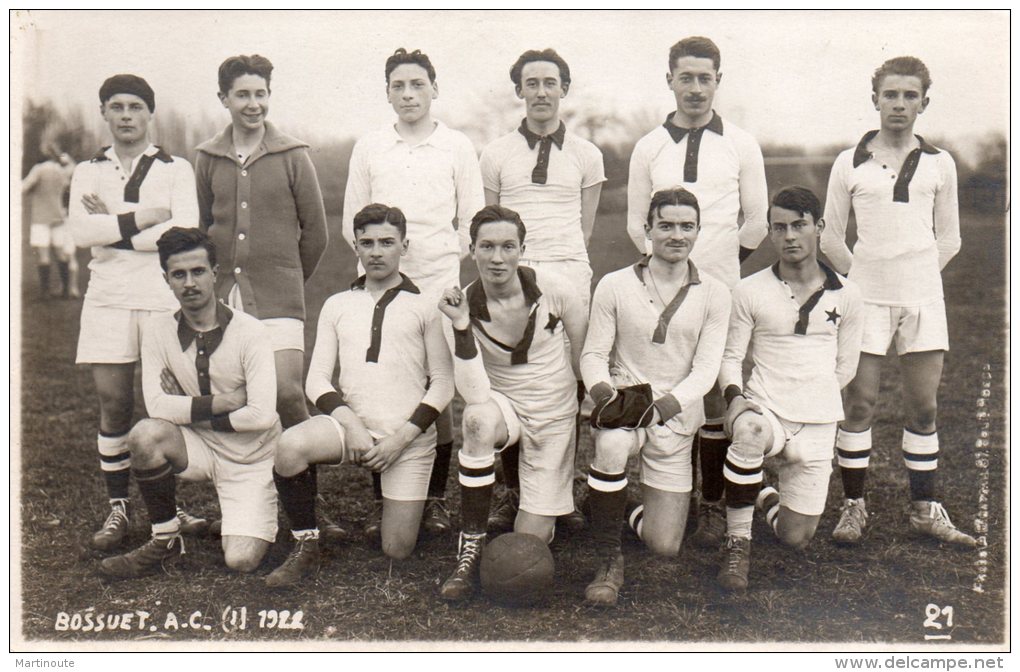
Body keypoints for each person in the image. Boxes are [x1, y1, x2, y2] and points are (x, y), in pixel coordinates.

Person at [820, 56, 974, 547]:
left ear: (923, 103)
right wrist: (861, 283)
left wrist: (918, 279)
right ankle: (853, 506)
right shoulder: (849, 161)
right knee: (859, 403)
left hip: (923, 300)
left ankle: (924, 510)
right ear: (875, 100)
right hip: (866, 301)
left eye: (910, 95)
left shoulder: (940, 162)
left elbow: (948, 240)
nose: (899, 104)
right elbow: (830, 240)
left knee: (923, 409)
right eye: (891, 95)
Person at [264, 204, 454, 587]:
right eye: (366, 243)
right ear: (356, 247)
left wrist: (400, 440)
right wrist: (350, 425)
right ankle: (305, 542)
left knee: (396, 549)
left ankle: (392, 502)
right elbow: (316, 380)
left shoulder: (425, 307)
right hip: (350, 429)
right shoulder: (338, 305)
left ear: (404, 246)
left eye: (387, 242)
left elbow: (444, 384)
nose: (376, 252)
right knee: (289, 446)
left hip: (406, 440)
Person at [626, 36, 769, 547]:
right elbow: (634, 224)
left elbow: (755, 222)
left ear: (717, 81)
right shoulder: (649, 145)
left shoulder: (741, 142)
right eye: (684, 77)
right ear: (670, 80)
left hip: (720, 287)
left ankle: (710, 504)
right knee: (667, 381)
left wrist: (717, 270)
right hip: (660, 289)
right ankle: (668, 493)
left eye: (704, 78)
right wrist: (670, 269)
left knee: (711, 393)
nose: (694, 88)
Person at [342, 48, 485, 538]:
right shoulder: (370, 146)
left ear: (434, 89)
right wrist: (383, 264)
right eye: (398, 86)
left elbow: (473, 220)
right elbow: (351, 220)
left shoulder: (457, 146)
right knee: (387, 386)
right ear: (387, 92)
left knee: (437, 390)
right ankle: (385, 499)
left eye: (417, 85)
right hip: (384, 280)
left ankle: (435, 499)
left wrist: (440, 264)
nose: (408, 94)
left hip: (436, 281)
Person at [195, 54, 339, 539]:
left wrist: (289, 279)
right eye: (242, 94)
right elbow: (201, 227)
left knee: (285, 395)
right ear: (224, 99)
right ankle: (252, 501)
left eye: (260, 94)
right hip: (225, 300)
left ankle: (311, 513)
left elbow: (316, 233)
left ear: (269, 97)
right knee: (235, 400)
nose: (252, 104)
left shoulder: (293, 153)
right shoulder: (208, 157)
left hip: (279, 298)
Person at [68, 74, 203, 551]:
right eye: (117, 106)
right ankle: (117, 508)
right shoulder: (88, 169)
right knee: (115, 404)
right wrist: (145, 216)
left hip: (162, 296)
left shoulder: (175, 167)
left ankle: (171, 507)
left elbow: (182, 234)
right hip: (106, 296)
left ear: (150, 114)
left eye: (135, 107)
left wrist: (112, 221)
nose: (126, 115)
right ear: (104, 112)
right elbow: (80, 233)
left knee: (163, 404)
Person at [99, 227, 280, 577]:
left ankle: (259, 510)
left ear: (215, 273)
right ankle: (166, 538)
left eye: (198, 272)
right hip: (200, 446)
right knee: (145, 434)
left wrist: (186, 408)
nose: (190, 283)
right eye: (178, 274)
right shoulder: (157, 330)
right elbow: (155, 407)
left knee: (240, 560)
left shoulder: (250, 331)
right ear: (166, 279)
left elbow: (260, 415)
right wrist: (224, 402)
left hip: (251, 457)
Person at [580, 188, 730, 606]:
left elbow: (705, 371)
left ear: (699, 231)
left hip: (675, 416)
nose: (676, 235)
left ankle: (613, 507)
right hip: (628, 403)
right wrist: (605, 395)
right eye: (665, 225)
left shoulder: (715, 293)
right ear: (647, 229)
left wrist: (661, 409)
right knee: (609, 445)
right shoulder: (614, 284)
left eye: (686, 226)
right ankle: (608, 559)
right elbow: (593, 353)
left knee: (664, 546)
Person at [478, 47, 605, 534]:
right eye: (531, 83)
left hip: (568, 270)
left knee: (567, 381)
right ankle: (513, 492)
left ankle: (559, 490)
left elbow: (585, 227)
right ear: (519, 91)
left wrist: (562, 275)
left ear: (564, 89)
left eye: (550, 82)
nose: (541, 92)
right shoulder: (495, 153)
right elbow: (491, 221)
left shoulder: (587, 154)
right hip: (513, 269)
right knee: (511, 376)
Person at [436, 204, 587, 601]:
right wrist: (462, 326)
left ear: (523, 249)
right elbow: (474, 394)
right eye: (486, 247)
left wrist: (582, 408)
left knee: (528, 543)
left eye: (507, 246)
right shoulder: (460, 303)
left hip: (553, 414)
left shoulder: (556, 288)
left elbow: (584, 359)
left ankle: (541, 498)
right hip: (501, 405)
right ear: (471, 250)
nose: (497, 257)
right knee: (475, 421)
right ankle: (469, 549)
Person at [716, 186, 863, 591]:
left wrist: (811, 396)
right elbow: (730, 358)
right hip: (766, 413)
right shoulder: (749, 289)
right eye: (779, 228)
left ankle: (759, 494)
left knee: (795, 538)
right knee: (748, 432)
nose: (790, 236)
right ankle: (738, 542)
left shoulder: (849, 294)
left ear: (819, 227)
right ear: (769, 233)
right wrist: (737, 400)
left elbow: (845, 367)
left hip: (817, 422)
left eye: (799, 226)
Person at [23, 148, 77, 299]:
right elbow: (72, 169)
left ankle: (45, 292)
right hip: (58, 216)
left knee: (43, 255)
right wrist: (67, 159)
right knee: (61, 253)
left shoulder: (38, 169)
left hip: (41, 217)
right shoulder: (61, 171)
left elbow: (24, 187)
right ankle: (66, 290)